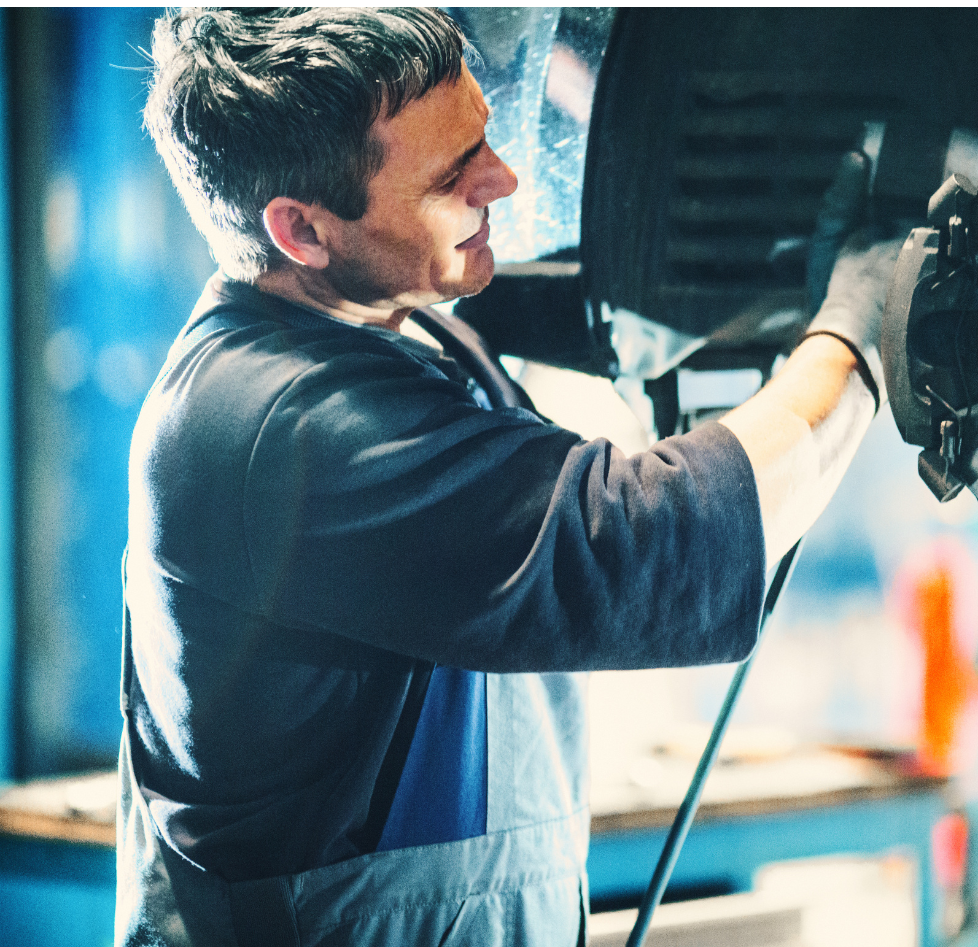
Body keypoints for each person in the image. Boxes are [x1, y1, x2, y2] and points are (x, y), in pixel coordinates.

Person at [121, 8, 897, 946]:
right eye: (454, 175)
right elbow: (647, 544)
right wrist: (857, 324)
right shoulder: (282, 426)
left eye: (484, 134)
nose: (504, 178)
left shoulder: (400, 322)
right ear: (301, 230)